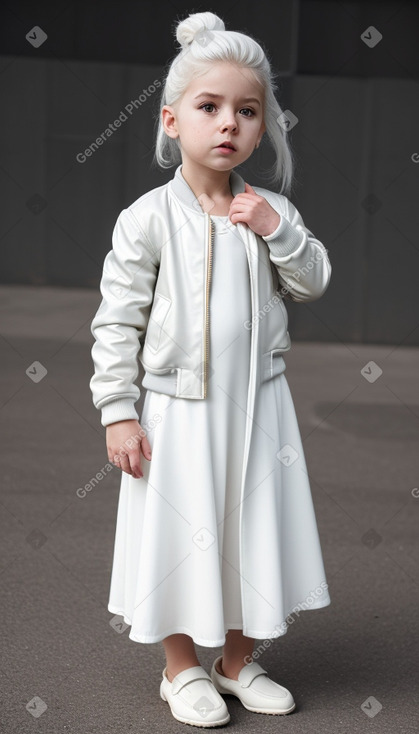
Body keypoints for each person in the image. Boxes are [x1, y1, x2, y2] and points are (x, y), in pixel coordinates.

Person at [89, 10, 332, 728]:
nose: (228, 123)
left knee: (254, 532)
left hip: (260, 409)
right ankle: (180, 668)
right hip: (175, 413)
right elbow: (117, 320)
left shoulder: (269, 211)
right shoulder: (146, 219)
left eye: (247, 111)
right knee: (174, 536)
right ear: (170, 120)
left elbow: (314, 278)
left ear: (262, 127)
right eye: (209, 106)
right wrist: (119, 410)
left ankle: (235, 660)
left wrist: (275, 230)